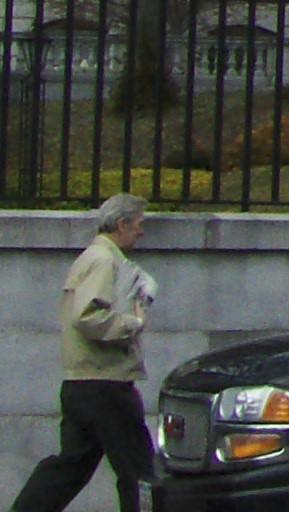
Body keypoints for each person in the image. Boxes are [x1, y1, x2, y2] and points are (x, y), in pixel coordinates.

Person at [13, 193, 157, 512]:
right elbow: (87, 316)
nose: (141, 232)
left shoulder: (92, 257)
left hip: (82, 383)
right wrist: (132, 323)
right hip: (107, 382)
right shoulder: (105, 261)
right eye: (138, 225)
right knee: (139, 469)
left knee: (71, 467)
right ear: (122, 224)